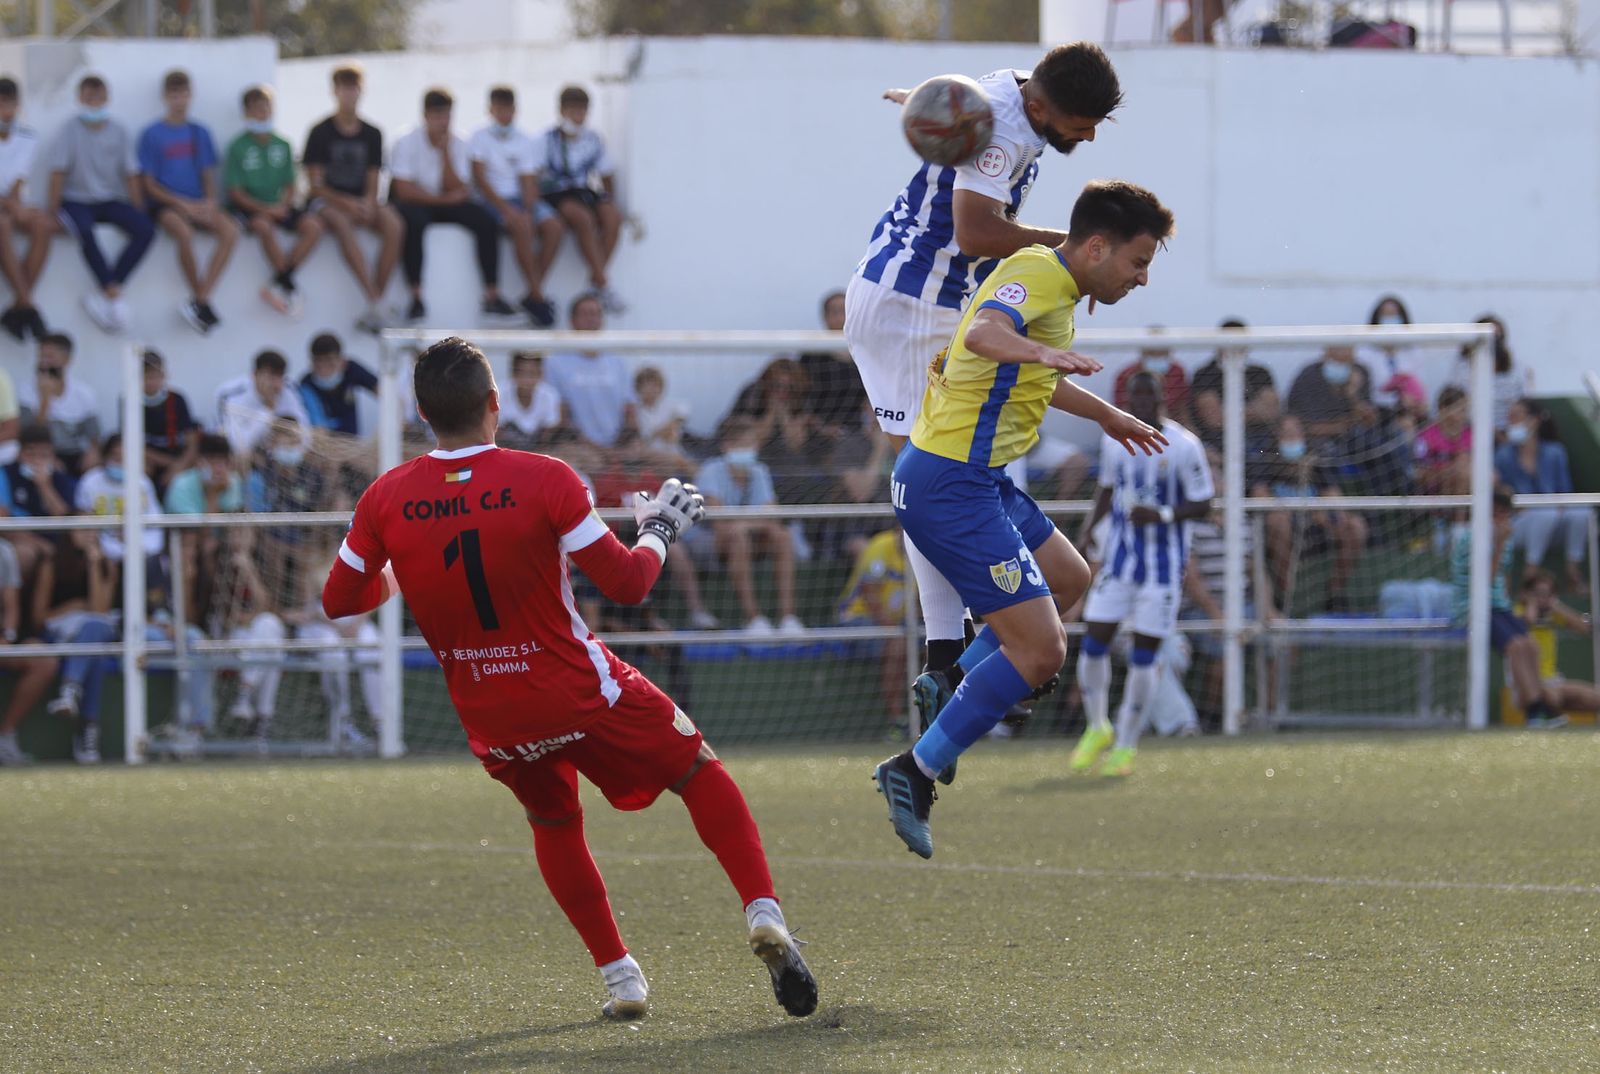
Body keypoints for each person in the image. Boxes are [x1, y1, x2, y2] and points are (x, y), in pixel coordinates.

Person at [320, 335, 817, 1020]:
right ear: (495, 404)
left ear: (421, 412)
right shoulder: (544, 476)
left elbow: (339, 601)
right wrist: (661, 529)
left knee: (554, 821)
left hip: (491, 713)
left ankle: (623, 981)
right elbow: (627, 582)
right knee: (700, 770)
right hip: (580, 690)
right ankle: (764, 914)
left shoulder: (386, 497)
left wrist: (400, 570)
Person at [873, 180, 1172, 859]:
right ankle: (913, 771)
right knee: (1041, 651)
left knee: (1070, 578)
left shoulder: (1057, 287)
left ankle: (950, 686)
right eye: (1137, 262)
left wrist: (1107, 415)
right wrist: (1040, 351)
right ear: (1097, 247)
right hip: (951, 485)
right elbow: (982, 334)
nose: (1142, 278)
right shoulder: (1038, 273)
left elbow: (1032, 375)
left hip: (977, 479)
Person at [845, 43, 1122, 727]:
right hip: (917, 307)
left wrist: (917, 101)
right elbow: (973, 233)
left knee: (945, 462)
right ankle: (945, 656)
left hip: (912, 298)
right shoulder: (1006, 130)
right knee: (937, 467)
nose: (1086, 138)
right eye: (1081, 124)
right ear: (1040, 107)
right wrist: (1070, 250)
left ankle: (952, 652)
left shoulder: (1007, 92)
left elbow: (958, 104)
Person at [1070, 372, 1213, 776]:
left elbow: (1204, 503)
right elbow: (1107, 490)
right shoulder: (1114, 437)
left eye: (1149, 397)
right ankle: (1098, 726)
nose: (1142, 404)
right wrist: (1084, 537)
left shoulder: (1184, 446)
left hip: (1162, 572)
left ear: (1161, 399)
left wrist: (1163, 515)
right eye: (1135, 398)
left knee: (1144, 656)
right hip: (1119, 563)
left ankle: (1126, 745)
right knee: (1094, 642)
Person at [390, 88, 516, 325]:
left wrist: (445, 154)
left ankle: (492, 295)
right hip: (418, 203)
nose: (443, 122)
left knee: (486, 221)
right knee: (413, 223)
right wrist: (441, 200)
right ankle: (416, 296)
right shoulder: (405, 141)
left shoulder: (459, 142)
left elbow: (458, 187)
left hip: (445, 202)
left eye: (447, 116)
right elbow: (403, 190)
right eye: (437, 116)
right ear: (425, 116)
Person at [45, 74, 154, 334]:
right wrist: (52, 208)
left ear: (108, 98)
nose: (94, 103)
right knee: (84, 232)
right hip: (77, 200)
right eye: (88, 98)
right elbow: (58, 171)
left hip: (109, 200)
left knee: (145, 230)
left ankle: (111, 287)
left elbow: (131, 173)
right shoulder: (69, 130)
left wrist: (138, 207)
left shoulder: (119, 131)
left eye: (99, 97)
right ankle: (112, 291)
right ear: (80, 99)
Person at [1450, 489, 1566, 727]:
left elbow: (1501, 580)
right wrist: (1500, 544)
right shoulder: (1471, 538)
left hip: (1497, 606)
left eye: (1504, 514)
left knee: (1530, 646)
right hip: (1473, 606)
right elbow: (1484, 584)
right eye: (1496, 513)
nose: (1501, 519)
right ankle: (1534, 710)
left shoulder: (1505, 539)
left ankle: (1538, 706)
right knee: (1515, 648)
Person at [303, 64, 404, 335]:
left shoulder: (373, 133)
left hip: (361, 202)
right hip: (329, 203)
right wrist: (348, 204)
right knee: (341, 225)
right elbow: (315, 186)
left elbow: (374, 178)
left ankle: (375, 304)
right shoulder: (320, 131)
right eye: (344, 88)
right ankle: (376, 300)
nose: (349, 94)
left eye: (353, 88)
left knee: (393, 224)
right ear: (334, 92)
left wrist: (369, 203)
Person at [139, 69, 238, 334]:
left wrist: (209, 202)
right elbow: (149, 185)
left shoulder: (199, 132)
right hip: (167, 204)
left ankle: (201, 298)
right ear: (165, 97)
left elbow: (207, 173)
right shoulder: (152, 134)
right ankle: (201, 300)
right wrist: (182, 204)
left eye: (183, 93)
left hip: (198, 203)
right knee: (183, 233)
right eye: (173, 93)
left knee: (230, 231)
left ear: (190, 95)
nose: (179, 99)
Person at [692, 418, 804, 636]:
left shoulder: (759, 471)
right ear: (727, 446)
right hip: (707, 540)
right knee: (737, 538)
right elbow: (720, 523)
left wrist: (744, 524)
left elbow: (773, 517)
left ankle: (789, 618)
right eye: (741, 445)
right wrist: (750, 523)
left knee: (782, 536)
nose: (748, 450)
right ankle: (753, 619)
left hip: (748, 535)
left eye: (751, 445)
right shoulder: (710, 470)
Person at [225, 84, 324, 318]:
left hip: (280, 207)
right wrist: (266, 209)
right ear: (246, 113)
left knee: (314, 227)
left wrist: (283, 205)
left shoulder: (283, 143)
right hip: (252, 209)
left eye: (266, 107)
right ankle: (287, 283)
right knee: (263, 227)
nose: (262, 113)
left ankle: (280, 281)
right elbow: (236, 192)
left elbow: (291, 185)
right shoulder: (238, 146)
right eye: (256, 108)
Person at [469, 86, 561, 327]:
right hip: (490, 200)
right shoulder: (479, 137)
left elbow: (528, 180)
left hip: (518, 199)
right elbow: (481, 179)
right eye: (499, 110)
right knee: (522, 226)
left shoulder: (524, 139)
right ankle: (538, 296)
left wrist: (529, 210)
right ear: (491, 110)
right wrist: (506, 209)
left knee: (553, 227)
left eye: (508, 110)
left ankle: (533, 292)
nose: (504, 115)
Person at [1256, 413, 1368, 612]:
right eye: (1286, 434)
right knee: (1278, 521)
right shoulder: (1266, 465)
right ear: (1276, 438)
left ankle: (1334, 595)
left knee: (1355, 526)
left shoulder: (1317, 464)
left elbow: (1337, 504)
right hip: (1282, 532)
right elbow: (1261, 500)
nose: (1292, 438)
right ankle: (1285, 597)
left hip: (1315, 530)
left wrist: (1327, 513)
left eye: (1296, 432)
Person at [540, 85, 624, 312]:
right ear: (561, 111)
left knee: (612, 216)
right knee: (581, 218)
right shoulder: (547, 140)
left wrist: (607, 200)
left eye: (582, 110)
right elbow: (536, 175)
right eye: (572, 110)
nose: (578, 115)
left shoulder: (594, 139)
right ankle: (603, 283)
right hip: (556, 194)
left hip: (583, 192)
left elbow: (606, 175)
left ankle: (597, 280)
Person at [1496, 399, 1587, 592]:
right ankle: (1530, 576)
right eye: (1509, 417)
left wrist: (1559, 507)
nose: (1511, 422)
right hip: (1518, 523)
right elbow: (1500, 497)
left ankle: (1572, 571)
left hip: (1552, 521)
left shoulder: (1555, 452)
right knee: (1546, 514)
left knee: (1582, 512)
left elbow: (1565, 492)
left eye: (1517, 416)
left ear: (1535, 421)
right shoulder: (1502, 455)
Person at [836, 526, 909, 737]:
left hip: (900, 625)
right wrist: (894, 629)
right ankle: (897, 723)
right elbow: (869, 593)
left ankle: (930, 719)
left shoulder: (925, 550)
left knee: (933, 644)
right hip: (857, 619)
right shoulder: (881, 546)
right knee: (897, 644)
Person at [543, 293, 638, 451]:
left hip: (620, 448)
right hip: (578, 448)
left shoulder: (617, 361)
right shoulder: (555, 362)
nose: (591, 319)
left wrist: (621, 447)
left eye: (595, 314)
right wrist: (596, 449)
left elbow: (630, 410)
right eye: (585, 314)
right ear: (572, 320)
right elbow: (562, 417)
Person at [0, 76, 55, 341]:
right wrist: (12, 206)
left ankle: (20, 304)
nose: (5, 111)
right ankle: (28, 306)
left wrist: (13, 205)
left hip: (12, 202)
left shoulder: (27, 136)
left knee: (44, 224)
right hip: (7, 206)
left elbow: (19, 178)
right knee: (3, 225)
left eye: (9, 104)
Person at [1514, 571, 1600, 718]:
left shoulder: (1552, 613)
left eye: (1548, 594)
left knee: (1594, 697)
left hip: (1553, 681)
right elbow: (1529, 621)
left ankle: (1552, 719)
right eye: (1538, 593)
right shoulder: (1517, 611)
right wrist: (1532, 603)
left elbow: (1583, 627)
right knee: (1552, 696)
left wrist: (1556, 606)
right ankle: (1544, 719)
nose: (1543, 598)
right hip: (1526, 684)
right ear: (1527, 594)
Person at [19, 333, 100, 475]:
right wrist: (45, 401)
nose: (44, 362)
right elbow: (29, 435)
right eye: (41, 356)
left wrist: (93, 453)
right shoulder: (26, 391)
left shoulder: (84, 393)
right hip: (40, 453)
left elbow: (94, 436)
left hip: (74, 454)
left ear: (67, 360)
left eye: (50, 357)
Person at [795, 289, 868, 441]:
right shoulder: (812, 355)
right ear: (825, 317)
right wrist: (820, 427)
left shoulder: (868, 353)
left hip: (861, 430)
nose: (841, 317)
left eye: (846, 311)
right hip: (817, 430)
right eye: (835, 312)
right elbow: (800, 398)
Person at [214, 349, 313, 459]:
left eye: (279, 377)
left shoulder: (288, 390)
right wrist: (267, 410)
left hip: (282, 458)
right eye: (270, 377)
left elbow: (305, 434)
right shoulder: (233, 395)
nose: (275, 384)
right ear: (255, 375)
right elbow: (237, 445)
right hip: (248, 461)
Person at [1450, 314, 1529, 439]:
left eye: (1497, 338)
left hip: (1509, 430)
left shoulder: (1516, 367)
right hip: (1472, 431)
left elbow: (1523, 402)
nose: (1492, 343)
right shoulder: (1462, 367)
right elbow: (1458, 403)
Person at [139, 348, 200, 491]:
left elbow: (192, 442)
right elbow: (129, 445)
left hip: (178, 460)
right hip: (152, 462)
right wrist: (170, 463)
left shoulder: (177, 399)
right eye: (146, 377)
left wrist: (179, 466)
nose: (152, 382)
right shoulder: (130, 402)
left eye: (156, 376)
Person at [299, 332, 379, 438]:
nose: (324, 371)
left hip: (353, 442)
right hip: (326, 446)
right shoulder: (306, 385)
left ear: (342, 362)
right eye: (318, 365)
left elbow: (386, 393)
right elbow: (319, 430)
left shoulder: (352, 370)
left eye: (330, 364)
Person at [1413, 384, 1472, 497]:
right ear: (1443, 409)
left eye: (1465, 410)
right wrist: (1447, 470)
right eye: (1460, 409)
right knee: (1460, 472)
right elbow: (1419, 473)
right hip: (1435, 486)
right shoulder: (1425, 436)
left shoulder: (1471, 434)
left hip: (1466, 483)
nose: (1464, 414)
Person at [1112, 340, 1188, 417]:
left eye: (1161, 353)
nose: (1157, 357)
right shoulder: (1126, 375)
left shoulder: (1177, 372)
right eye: (1152, 353)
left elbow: (1183, 406)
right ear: (1143, 353)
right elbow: (1121, 410)